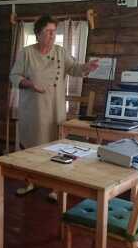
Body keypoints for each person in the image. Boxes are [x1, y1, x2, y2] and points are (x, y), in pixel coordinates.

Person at [9, 15, 99, 197]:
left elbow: (74, 68)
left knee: (56, 148)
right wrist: (30, 84)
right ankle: (30, 182)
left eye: (54, 31)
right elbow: (14, 76)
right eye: (48, 31)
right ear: (38, 34)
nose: (52, 35)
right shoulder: (26, 53)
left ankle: (55, 188)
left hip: (55, 110)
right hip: (33, 110)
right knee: (31, 149)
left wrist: (87, 67)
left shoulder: (60, 52)